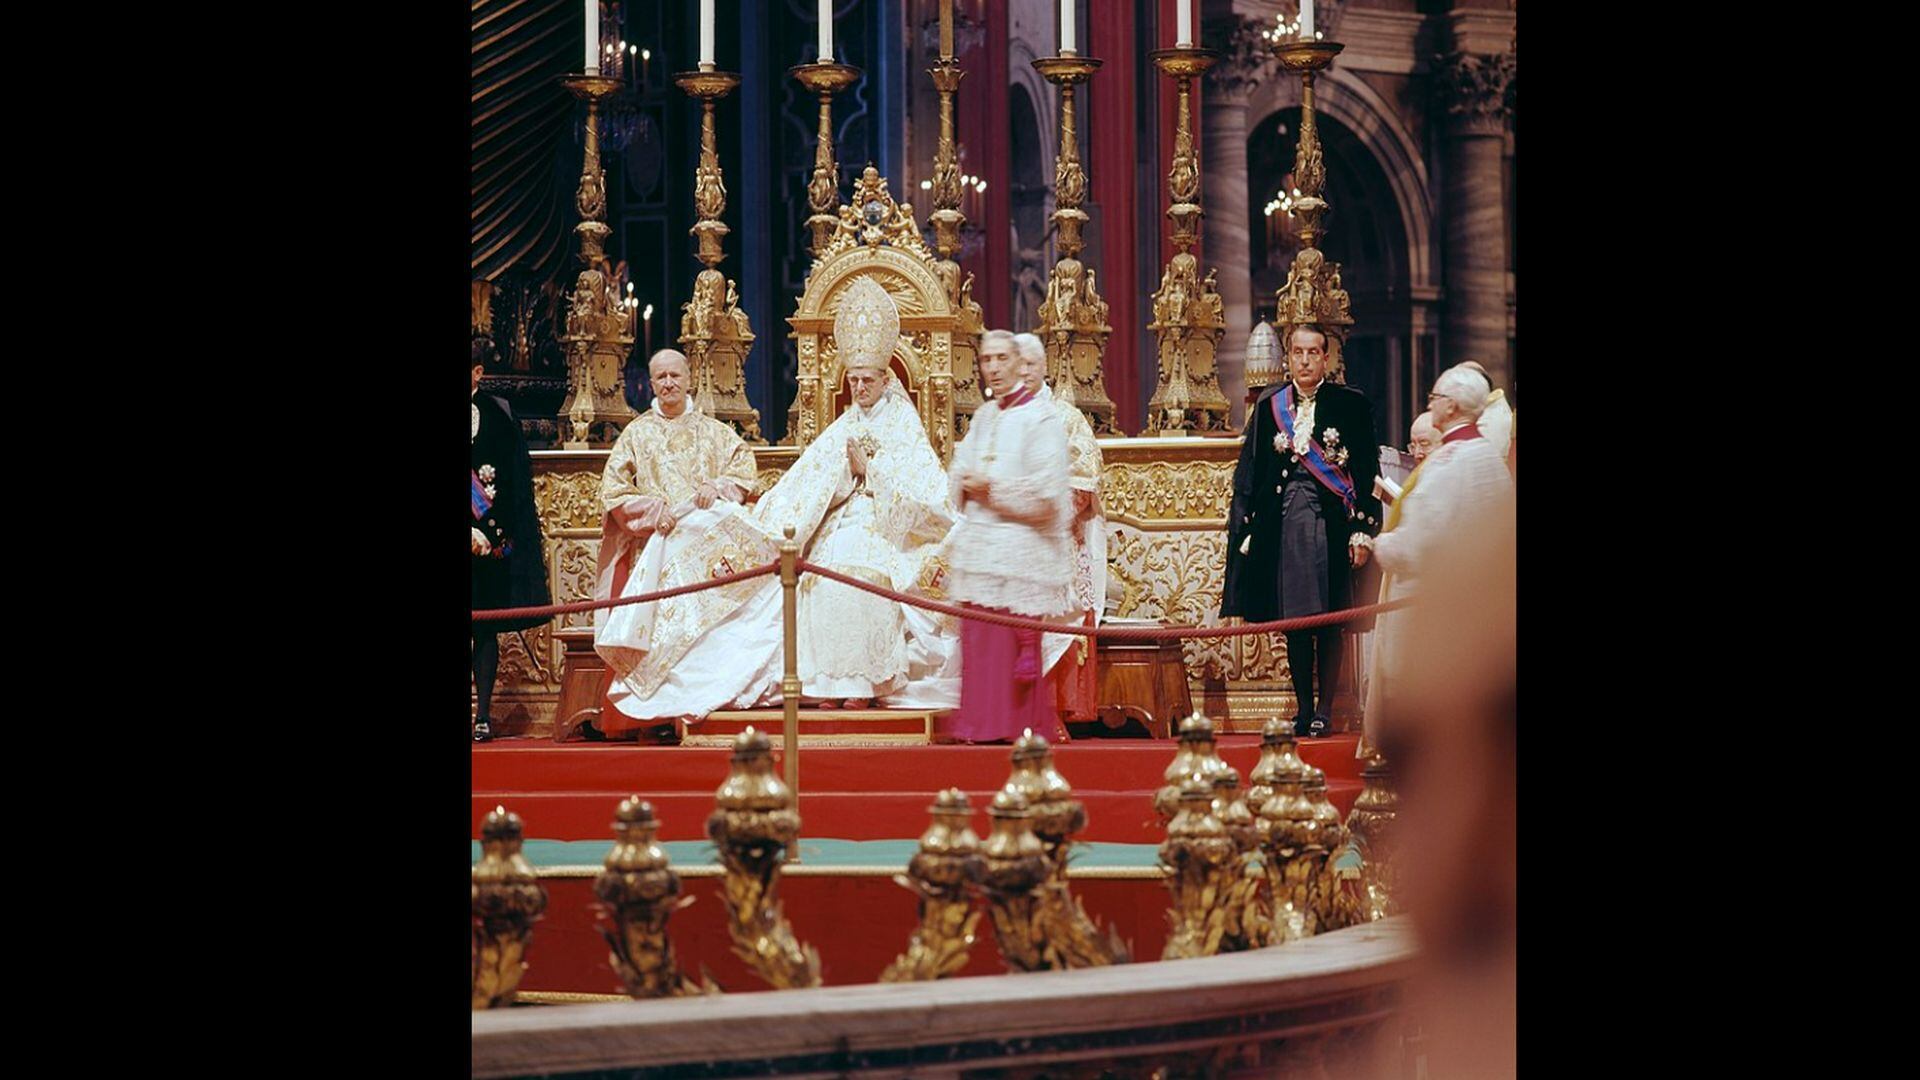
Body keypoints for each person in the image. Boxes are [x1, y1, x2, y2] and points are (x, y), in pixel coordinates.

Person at [755, 275, 959, 709]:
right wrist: (841, 478)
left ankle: (866, 684)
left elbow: (929, 494)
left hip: (883, 527)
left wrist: (872, 472)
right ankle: (828, 683)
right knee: (819, 577)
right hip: (840, 519)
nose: (860, 388)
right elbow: (808, 479)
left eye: (868, 380)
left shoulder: (904, 424)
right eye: (854, 380)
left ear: (886, 379)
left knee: (862, 574)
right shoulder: (842, 426)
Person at [1220, 324, 1381, 738]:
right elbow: (1251, 476)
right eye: (1298, 352)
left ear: (1326, 359)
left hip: (1330, 526)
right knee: (1295, 620)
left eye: (1314, 353)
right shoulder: (1271, 406)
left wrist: (1362, 531)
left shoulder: (1350, 405)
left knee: (1330, 619)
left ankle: (1325, 709)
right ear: (1288, 357)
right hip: (1284, 526)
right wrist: (1247, 530)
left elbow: (1366, 472)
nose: (1306, 360)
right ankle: (1304, 708)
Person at [593, 348, 762, 739]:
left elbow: (744, 471)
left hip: (703, 565)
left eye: (675, 376)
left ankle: (693, 712)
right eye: (660, 377)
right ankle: (653, 717)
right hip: (654, 558)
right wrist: (654, 512)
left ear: (690, 380)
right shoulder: (637, 433)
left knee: (700, 638)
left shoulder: (714, 432)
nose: (668, 383)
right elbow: (614, 490)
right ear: (651, 384)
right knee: (657, 639)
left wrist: (715, 487)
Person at [1362, 365, 1515, 755]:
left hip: (1429, 612)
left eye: (1433, 398)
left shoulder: (1447, 464)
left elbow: (1417, 547)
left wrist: (1383, 545)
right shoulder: (1489, 458)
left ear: (1450, 407)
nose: (1431, 405)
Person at [937, 330, 1075, 744]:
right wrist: (968, 485)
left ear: (1018, 363)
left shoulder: (1042, 418)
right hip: (979, 553)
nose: (993, 368)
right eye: (986, 360)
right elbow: (957, 472)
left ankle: (1013, 732)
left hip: (1021, 553)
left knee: (1010, 660)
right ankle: (980, 727)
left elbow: (1048, 494)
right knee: (981, 652)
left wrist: (990, 491)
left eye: (1001, 358)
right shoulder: (983, 416)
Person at [1013, 331, 1105, 723]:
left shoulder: (1068, 418)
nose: (1025, 372)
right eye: (1019, 365)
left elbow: (1084, 484)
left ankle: (1053, 710)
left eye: (1032, 365)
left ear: (1045, 369)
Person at [471, 338, 550, 742]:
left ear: (478, 374)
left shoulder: (499, 416)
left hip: (484, 545)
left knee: (483, 629)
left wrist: (486, 534)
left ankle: (482, 714)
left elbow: (514, 483)